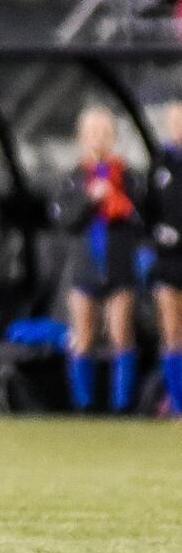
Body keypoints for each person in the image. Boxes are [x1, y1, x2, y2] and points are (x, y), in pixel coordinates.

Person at [52, 105, 142, 413]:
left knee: (121, 334)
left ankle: (122, 406)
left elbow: (140, 217)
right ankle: (83, 405)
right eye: (92, 133)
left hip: (119, 269)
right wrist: (90, 199)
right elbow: (64, 220)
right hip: (85, 268)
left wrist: (119, 202)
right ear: (81, 138)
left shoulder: (128, 176)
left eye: (104, 133)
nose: (98, 140)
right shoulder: (75, 178)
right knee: (84, 334)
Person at [148, 100, 182, 416]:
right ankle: (176, 402)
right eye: (175, 122)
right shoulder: (160, 164)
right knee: (172, 333)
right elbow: (147, 211)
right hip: (168, 261)